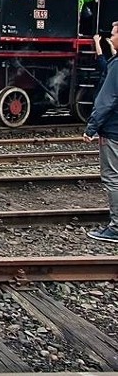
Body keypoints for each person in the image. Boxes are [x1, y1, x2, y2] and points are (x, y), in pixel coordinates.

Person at [83, 21, 118, 243]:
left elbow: (106, 101)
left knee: (113, 178)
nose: (111, 37)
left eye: (114, 34)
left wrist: (91, 127)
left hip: (114, 131)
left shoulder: (117, 65)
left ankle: (116, 228)